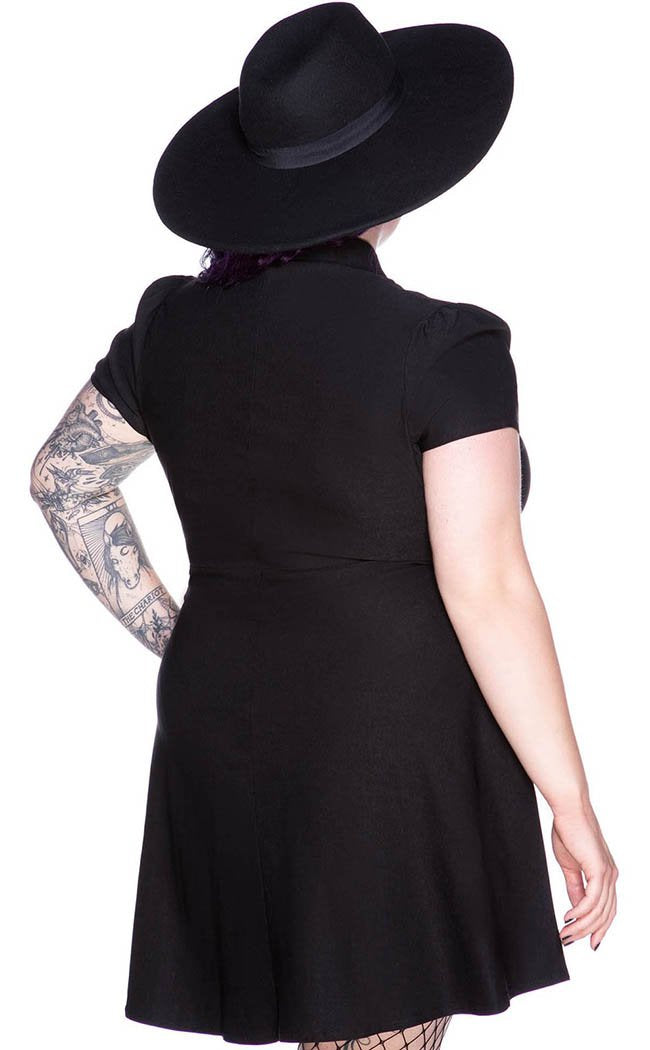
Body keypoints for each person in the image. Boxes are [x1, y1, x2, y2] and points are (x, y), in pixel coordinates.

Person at [29, 4, 618, 1049]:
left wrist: (181, 632)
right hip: (386, 739)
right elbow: (485, 586)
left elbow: (63, 481)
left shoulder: (169, 327)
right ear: (391, 181)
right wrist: (568, 800)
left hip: (223, 724)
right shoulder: (443, 346)